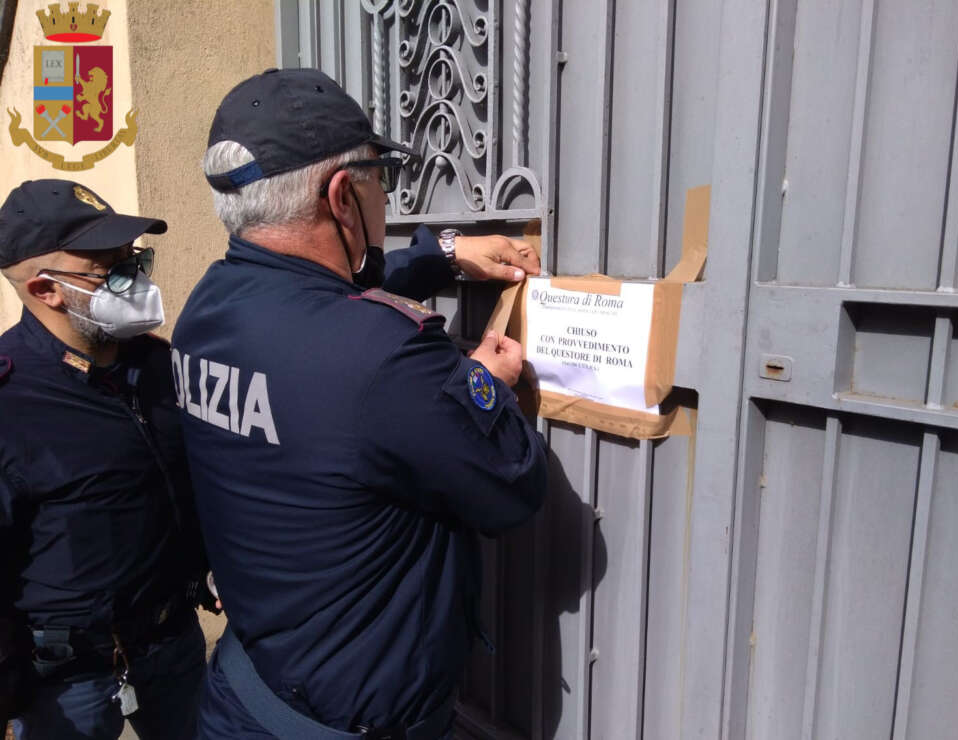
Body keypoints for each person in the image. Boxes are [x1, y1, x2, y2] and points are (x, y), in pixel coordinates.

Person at [174, 67, 549, 739]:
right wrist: (485, 384)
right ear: (343, 194)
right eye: (382, 177)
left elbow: (317, 294)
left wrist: (446, 253)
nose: (386, 195)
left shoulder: (208, 307)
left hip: (247, 692)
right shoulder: (384, 358)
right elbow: (514, 484)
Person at [0, 180, 216, 740]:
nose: (135, 280)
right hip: (64, 683)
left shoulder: (157, 367)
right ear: (46, 289)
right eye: (111, 270)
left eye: (135, 260)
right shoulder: (11, 400)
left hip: (172, 642)